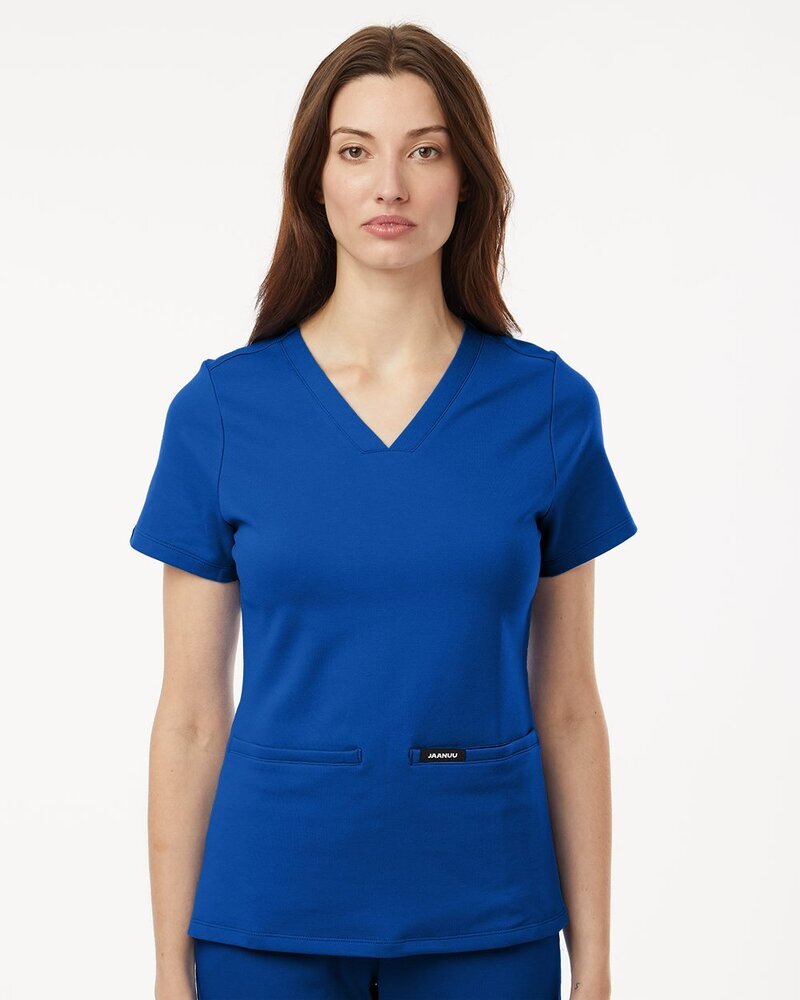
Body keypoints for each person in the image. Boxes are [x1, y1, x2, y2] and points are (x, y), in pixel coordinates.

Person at [130, 22, 638, 1000]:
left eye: (425, 151)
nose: (390, 186)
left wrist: (598, 965)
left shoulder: (546, 409)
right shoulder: (220, 414)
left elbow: (570, 703)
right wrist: (165, 967)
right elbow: (190, 713)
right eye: (356, 151)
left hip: (486, 909)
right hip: (266, 916)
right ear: (315, 181)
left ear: (467, 179)